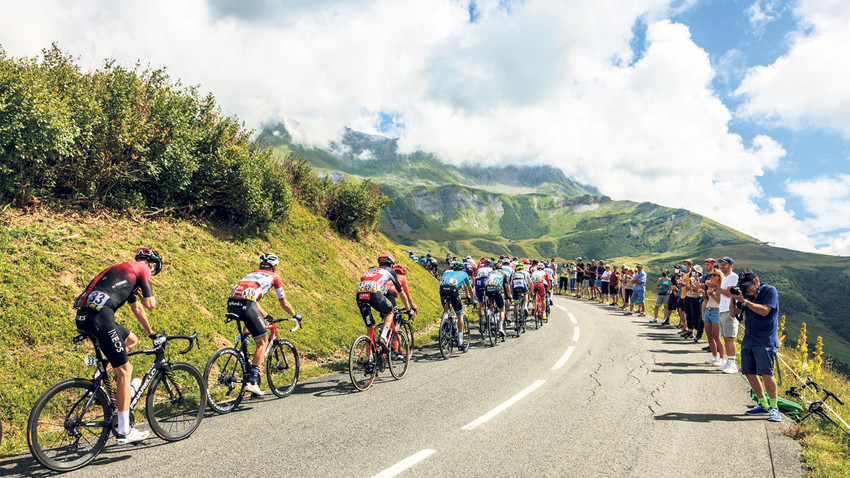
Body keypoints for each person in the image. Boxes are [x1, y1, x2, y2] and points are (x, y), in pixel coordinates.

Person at [74, 248, 163, 444]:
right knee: (124, 370)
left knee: (131, 340)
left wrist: (150, 333)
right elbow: (149, 304)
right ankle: (124, 431)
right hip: (101, 317)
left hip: (83, 316)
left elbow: (137, 309)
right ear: (153, 265)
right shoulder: (143, 269)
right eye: (154, 273)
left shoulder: (125, 271)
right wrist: (144, 292)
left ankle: (98, 379)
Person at [228, 253, 302, 396]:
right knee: (262, 342)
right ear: (274, 267)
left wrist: (267, 316)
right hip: (247, 305)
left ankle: (245, 354)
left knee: (249, 323)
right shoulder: (275, 277)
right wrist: (295, 316)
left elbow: (252, 301)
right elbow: (283, 302)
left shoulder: (250, 275)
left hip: (232, 303)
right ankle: (252, 381)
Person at [730, 270, 781, 422]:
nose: (747, 290)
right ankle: (763, 403)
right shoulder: (745, 294)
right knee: (749, 372)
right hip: (749, 339)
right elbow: (734, 314)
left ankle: (774, 407)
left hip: (766, 340)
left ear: (756, 281)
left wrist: (745, 301)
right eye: (744, 287)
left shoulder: (769, 291)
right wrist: (732, 299)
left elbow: (765, 311)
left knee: (766, 373)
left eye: (748, 286)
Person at [357, 255, 413, 352]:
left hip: (360, 295)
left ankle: (368, 359)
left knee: (370, 329)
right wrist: (409, 310)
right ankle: (383, 337)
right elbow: (401, 293)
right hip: (374, 294)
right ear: (391, 265)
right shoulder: (390, 271)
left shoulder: (370, 270)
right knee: (390, 312)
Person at [439, 261, 474, 346]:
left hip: (442, 290)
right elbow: (469, 289)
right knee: (460, 314)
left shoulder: (447, 272)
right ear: (462, 268)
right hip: (453, 290)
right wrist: (472, 300)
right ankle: (461, 341)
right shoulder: (464, 274)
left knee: (446, 309)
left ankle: (444, 322)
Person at [716, 257, 739, 373]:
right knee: (726, 337)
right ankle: (728, 361)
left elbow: (730, 294)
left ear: (731, 265)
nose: (722, 266)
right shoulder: (725, 279)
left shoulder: (733, 277)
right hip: (723, 309)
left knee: (730, 338)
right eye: (721, 264)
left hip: (729, 310)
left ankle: (732, 364)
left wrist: (717, 288)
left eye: (724, 264)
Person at [702, 268, 725, 366]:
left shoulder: (720, 287)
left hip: (716, 310)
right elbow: (708, 301)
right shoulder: (710, 286)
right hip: (709, 309)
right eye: (711, 275)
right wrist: (704, 295)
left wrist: (712, 294)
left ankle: (722, 357)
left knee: (716, 336)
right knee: (709, 334)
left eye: (714, 275)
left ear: (719, 277)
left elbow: (720, 301)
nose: (712, 277)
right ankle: (714, 355)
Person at [484, 261, 512, 337]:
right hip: (496, 289)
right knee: (501, 309)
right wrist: (508, 296)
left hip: (487, 288)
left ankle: (490, 316)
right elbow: (507, 286)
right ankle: (500, 327)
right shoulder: (503, 274)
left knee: (491, 302)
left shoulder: (490, 273)